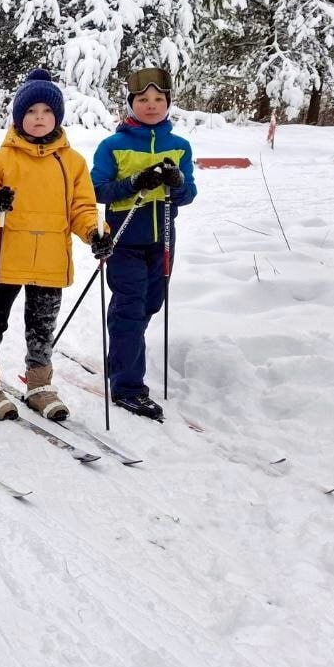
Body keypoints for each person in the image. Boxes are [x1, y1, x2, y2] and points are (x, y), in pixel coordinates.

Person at [0, 69, 108, 422]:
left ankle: (39, 385)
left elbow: (82, 209)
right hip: (6, 259)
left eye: (47, 111)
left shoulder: (72, 162)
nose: (39, 117)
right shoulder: (1, 159)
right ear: (19, 117)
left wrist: (95, 232)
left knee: (42, 328)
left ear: (57, 117)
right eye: (31, 111)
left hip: (50, 261)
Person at [91, 67, 197, 420]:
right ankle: (128, 386)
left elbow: (188, 194)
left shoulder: (179, 147)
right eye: (143, 99)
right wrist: (135, 182)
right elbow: (97, 190)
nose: (151, 105)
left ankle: (122, 354)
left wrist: (177, 182)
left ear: (168, 103)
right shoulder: (113, 146)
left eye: (158, 99)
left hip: (163, 239)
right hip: (124, 238)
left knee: (150, 303)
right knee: (130, 308)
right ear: (131, 103)